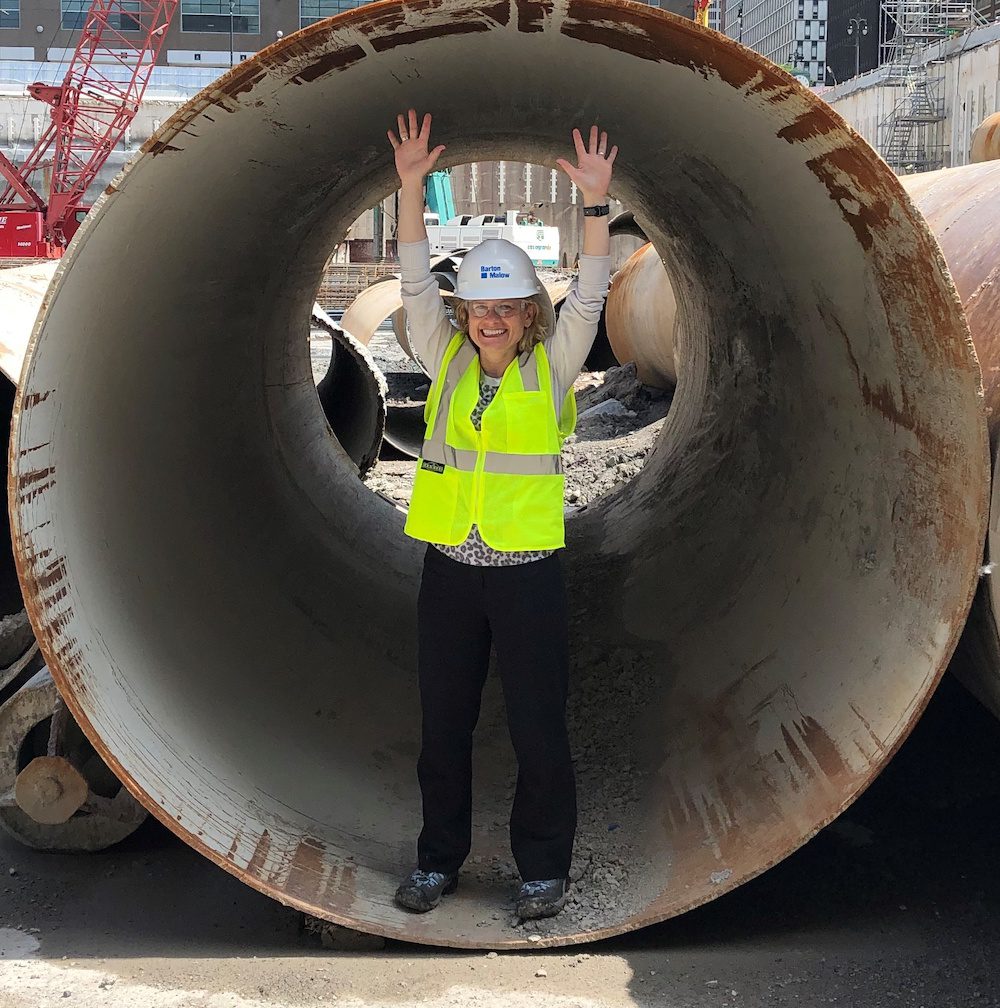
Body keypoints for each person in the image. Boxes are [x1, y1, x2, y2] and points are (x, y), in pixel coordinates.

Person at [387, 108, 617, 922]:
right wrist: (411, 188)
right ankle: (435, 862)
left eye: (509, 307)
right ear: (463, 315)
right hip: (451, 570)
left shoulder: (552, 369)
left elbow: (591, 292)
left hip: (526, 576)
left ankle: (542, 870)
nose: (492, 319)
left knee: (537, 729)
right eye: (480, 308)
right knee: (442, 728)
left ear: (528, 316)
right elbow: (414, 277)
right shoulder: (440, 354)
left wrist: (595, 207)